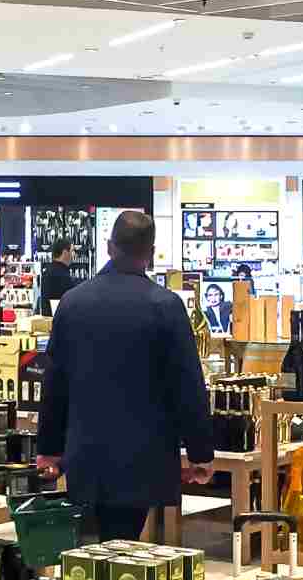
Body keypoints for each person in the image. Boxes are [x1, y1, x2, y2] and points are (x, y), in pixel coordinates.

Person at [37, 210, 214, 542]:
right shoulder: (166, 306)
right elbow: (187, 386)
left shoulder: (73, 303)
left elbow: (55, 382)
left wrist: (48, 447)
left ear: (108, 246)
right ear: (149, 252)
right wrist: (200, 453)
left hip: (85, 452)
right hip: (143, 457)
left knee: (89, 549)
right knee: (126, 552)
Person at [38, 237, 76, 316]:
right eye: (72, 251)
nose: (74, 254)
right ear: (65, 253)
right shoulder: (63, 276)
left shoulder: (47, 272)